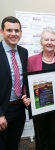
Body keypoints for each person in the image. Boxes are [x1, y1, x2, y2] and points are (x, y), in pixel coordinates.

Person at [27, 30, 55, 150]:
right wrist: (27, 97)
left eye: (52, 40)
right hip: (39, 107)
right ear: (41, 41)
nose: (49, 42)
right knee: (41, 138)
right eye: (46, 40)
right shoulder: (32, 60)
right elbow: (27, 83)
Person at [0, 16, 30, 150]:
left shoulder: (24, 52)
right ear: (2, 31)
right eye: (9, 30)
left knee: (14, 143)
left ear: (21, 33)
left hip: (19, 108)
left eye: (16, 30)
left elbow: (25, 79)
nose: (13, 34)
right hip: (2, 109)